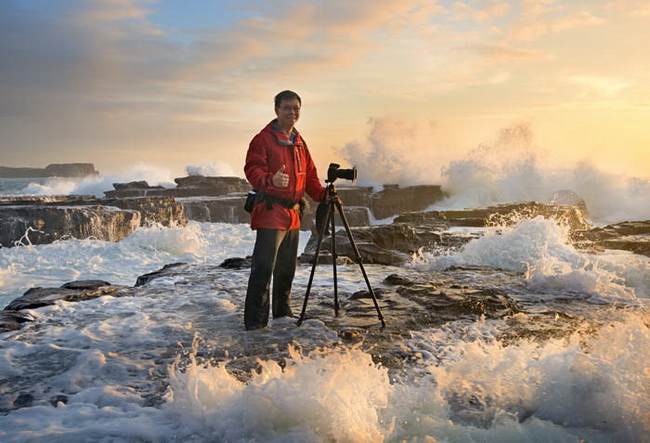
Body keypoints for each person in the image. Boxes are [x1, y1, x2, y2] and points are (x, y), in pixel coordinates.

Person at [243, 90, 326, 331]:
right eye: (287, 107)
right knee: (263, 268)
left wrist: (322, 195)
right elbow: (252, 170)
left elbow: (310, 176)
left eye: (296, 108)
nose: (292, 112)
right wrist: (270, 180)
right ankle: (255, 324)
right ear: (276, 110)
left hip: (293, 215)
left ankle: (282, 314)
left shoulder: (299, 141)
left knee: (287, 267)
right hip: (271, 212)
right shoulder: (263, 139)